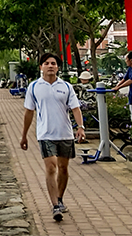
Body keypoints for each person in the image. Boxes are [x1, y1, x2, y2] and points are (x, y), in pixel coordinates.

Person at [20, 53, 86, 222]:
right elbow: (29, 112)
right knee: (51, 167)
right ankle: (55, 205)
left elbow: (75, 108)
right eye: (47, 63)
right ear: (41, 67)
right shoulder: (34, 87)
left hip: (65, 133)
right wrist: (24, 136)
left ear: (58, 67)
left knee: (63, 168)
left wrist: (80, 127)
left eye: (53, 63)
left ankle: (60, 198)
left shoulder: (66, 86)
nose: (50, 66)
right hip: (45, 134)